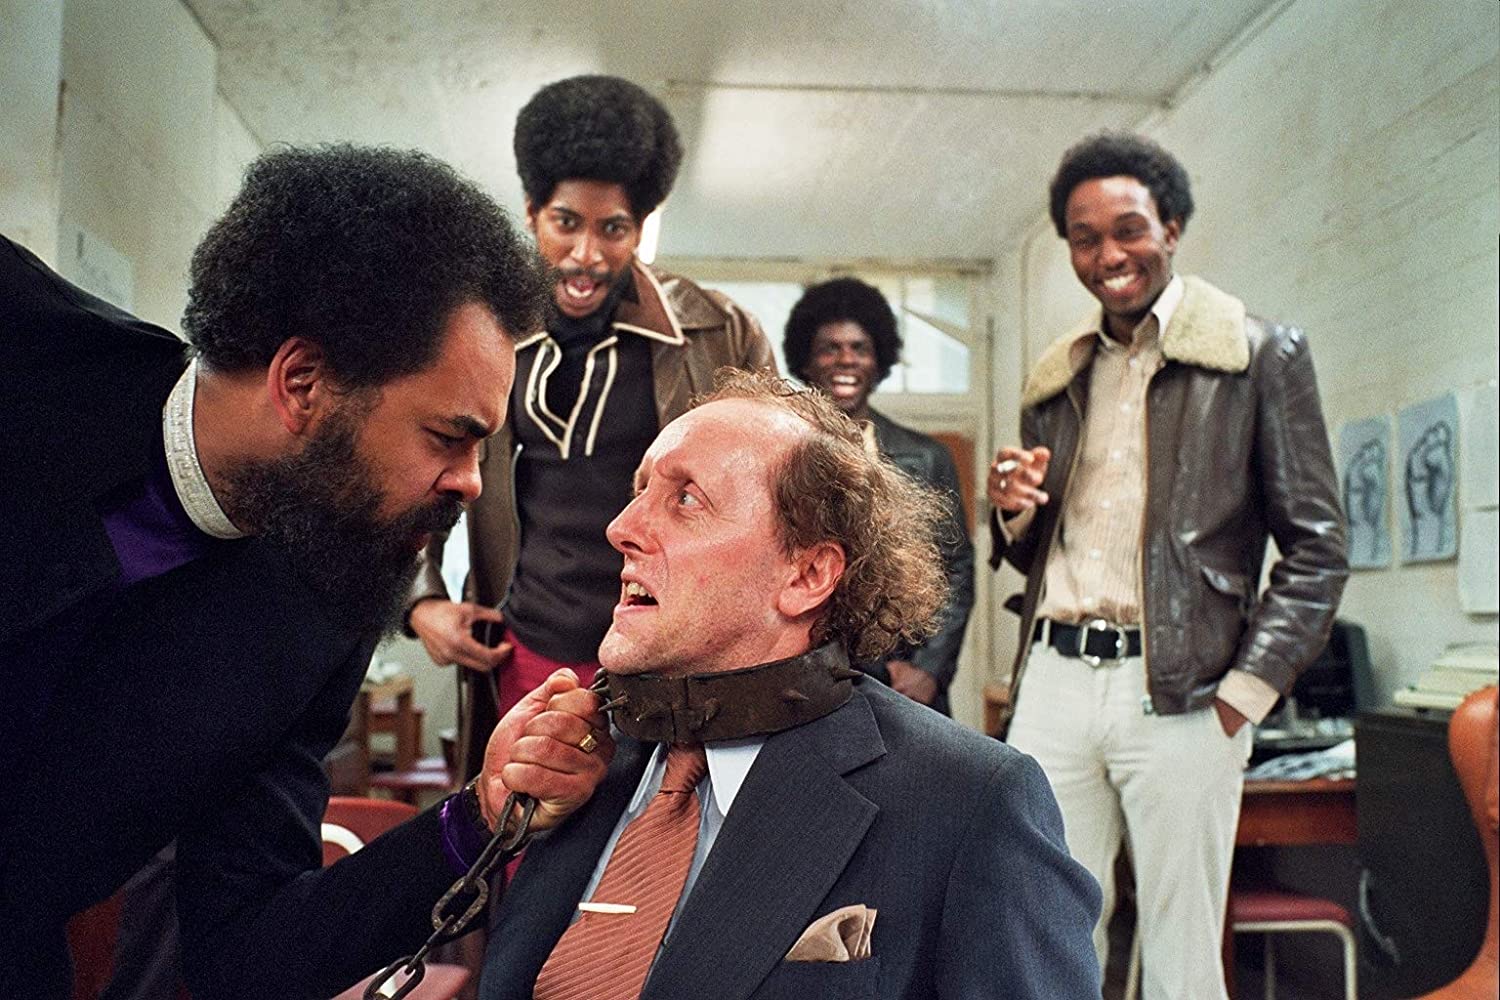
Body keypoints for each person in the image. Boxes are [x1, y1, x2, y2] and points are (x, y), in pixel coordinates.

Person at [0, 145, 612, 1000]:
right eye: (448, 436)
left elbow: (249, 952)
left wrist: (477, 814)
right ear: (302, 383)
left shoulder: (322, 607)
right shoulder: (25, 346)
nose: (473, 484)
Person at [479, 370, 1101, 1000]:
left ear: (807, 575)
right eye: (639, 490)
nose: (620, 527)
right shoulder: (576, 764)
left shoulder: (970, 803)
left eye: (686, 498)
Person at [986, 132, 1348, 998]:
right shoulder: (1058, 376)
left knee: (1183, 957)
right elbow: (1037, 549)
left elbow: (1319, 546)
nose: (1108, 255)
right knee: (1044, 928)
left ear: (1172, 228)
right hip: (1055, 682)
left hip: (1186, 690)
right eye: (1084, 238)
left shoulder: (1258, 356)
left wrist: (1245, 693)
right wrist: (1012, 510)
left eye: (1129, 230)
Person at [406, 74, 774, 784]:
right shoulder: (480, 330)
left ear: (641, 227)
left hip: (671, 661)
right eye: (566, 223)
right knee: (527, 837)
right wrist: (419, 601)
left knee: (654, 844)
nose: (586, 254)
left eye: (613, 229)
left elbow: (776, 491)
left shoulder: (719, 332)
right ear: (532, 213)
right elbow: (420, 465)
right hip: (528, 655)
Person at [784, 277, 974, 714]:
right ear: (806, 361)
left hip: (906, 679)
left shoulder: (927, 457)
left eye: (860, 348)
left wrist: (928, 669)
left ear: (879, 359)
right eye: (829, 348)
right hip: (807, 674)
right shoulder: (782, 455)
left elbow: (956, 571)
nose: (846, 359)